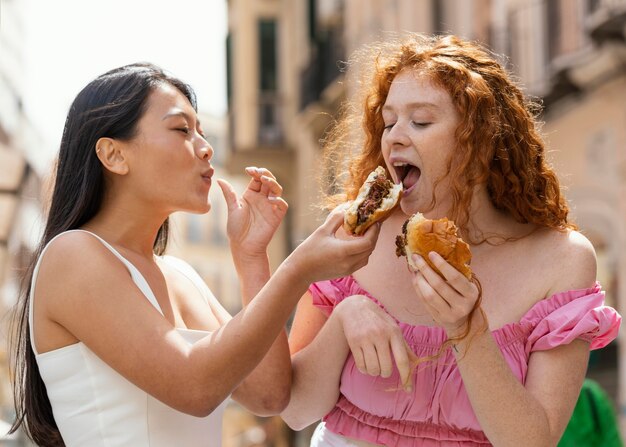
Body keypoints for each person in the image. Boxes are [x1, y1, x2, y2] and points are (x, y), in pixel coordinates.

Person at [8, 62, 379, 447]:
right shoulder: (73, 256)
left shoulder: (181, 277)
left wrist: (252, 258)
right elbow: (195, 388)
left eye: (201, 131)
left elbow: (269, 394)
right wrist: (298, 270)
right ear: (113, 155)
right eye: (181, 129)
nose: (206, 147)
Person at [281, 33, 622, 446]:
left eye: (420, 122)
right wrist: (345, 317)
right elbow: (296, 409)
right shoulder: (354, 235)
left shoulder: (562, 260)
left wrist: (468, 331)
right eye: (389, 122)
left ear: (480, 142)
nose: (394, 137)